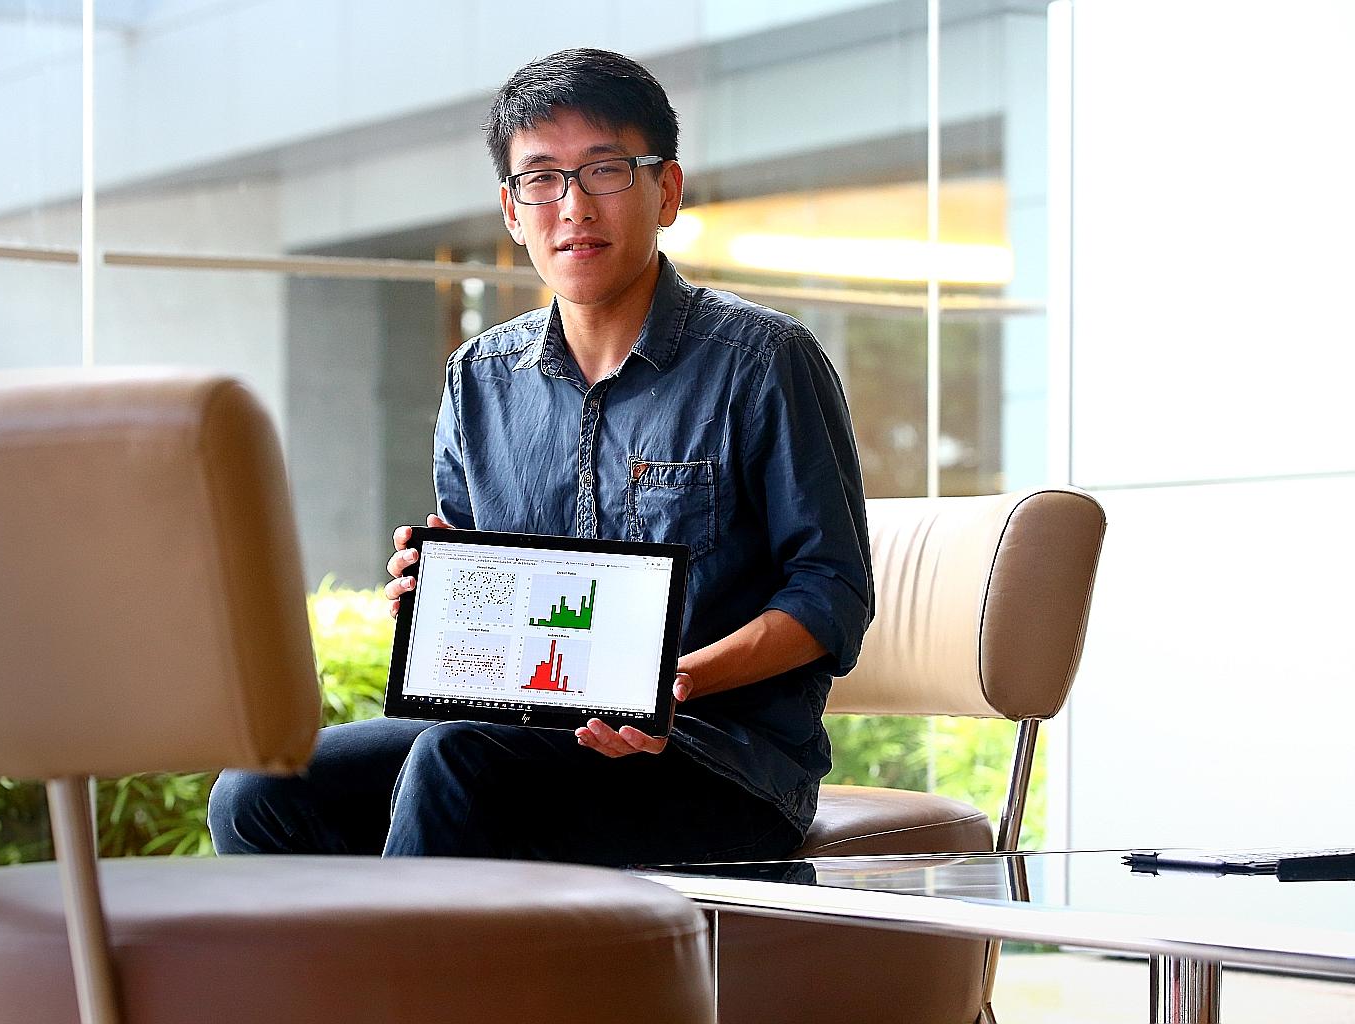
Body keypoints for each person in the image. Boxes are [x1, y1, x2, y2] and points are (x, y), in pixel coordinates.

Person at [209, 48, 873, 867]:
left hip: (716, 759)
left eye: (604, 171)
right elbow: (482, 579)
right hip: (518, 735)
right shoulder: (478, 379)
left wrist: (674, 684)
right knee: (259, 791)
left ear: (665, 190)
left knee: (455, 764)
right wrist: (438, 597)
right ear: (511, 209)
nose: (572, 207)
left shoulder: (763, 360)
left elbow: (833, 593)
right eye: (542, 179)